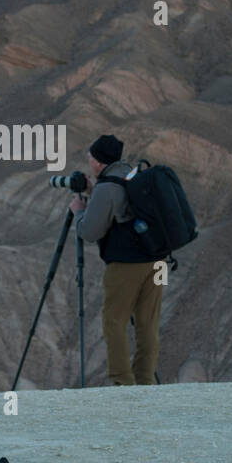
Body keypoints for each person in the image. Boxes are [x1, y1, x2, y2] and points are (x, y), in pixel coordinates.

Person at [70, 134, 162, 385]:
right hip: (158, 261)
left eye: (90, 158)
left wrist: (79, 212)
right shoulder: (135, 175)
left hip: (126, 264)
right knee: (148, 324)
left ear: (99, 162)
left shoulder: (106, 187)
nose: (89, 162)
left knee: (114, 322)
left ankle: (123, 383)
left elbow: (89, 231)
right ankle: (144, 381)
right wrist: (94, 191)